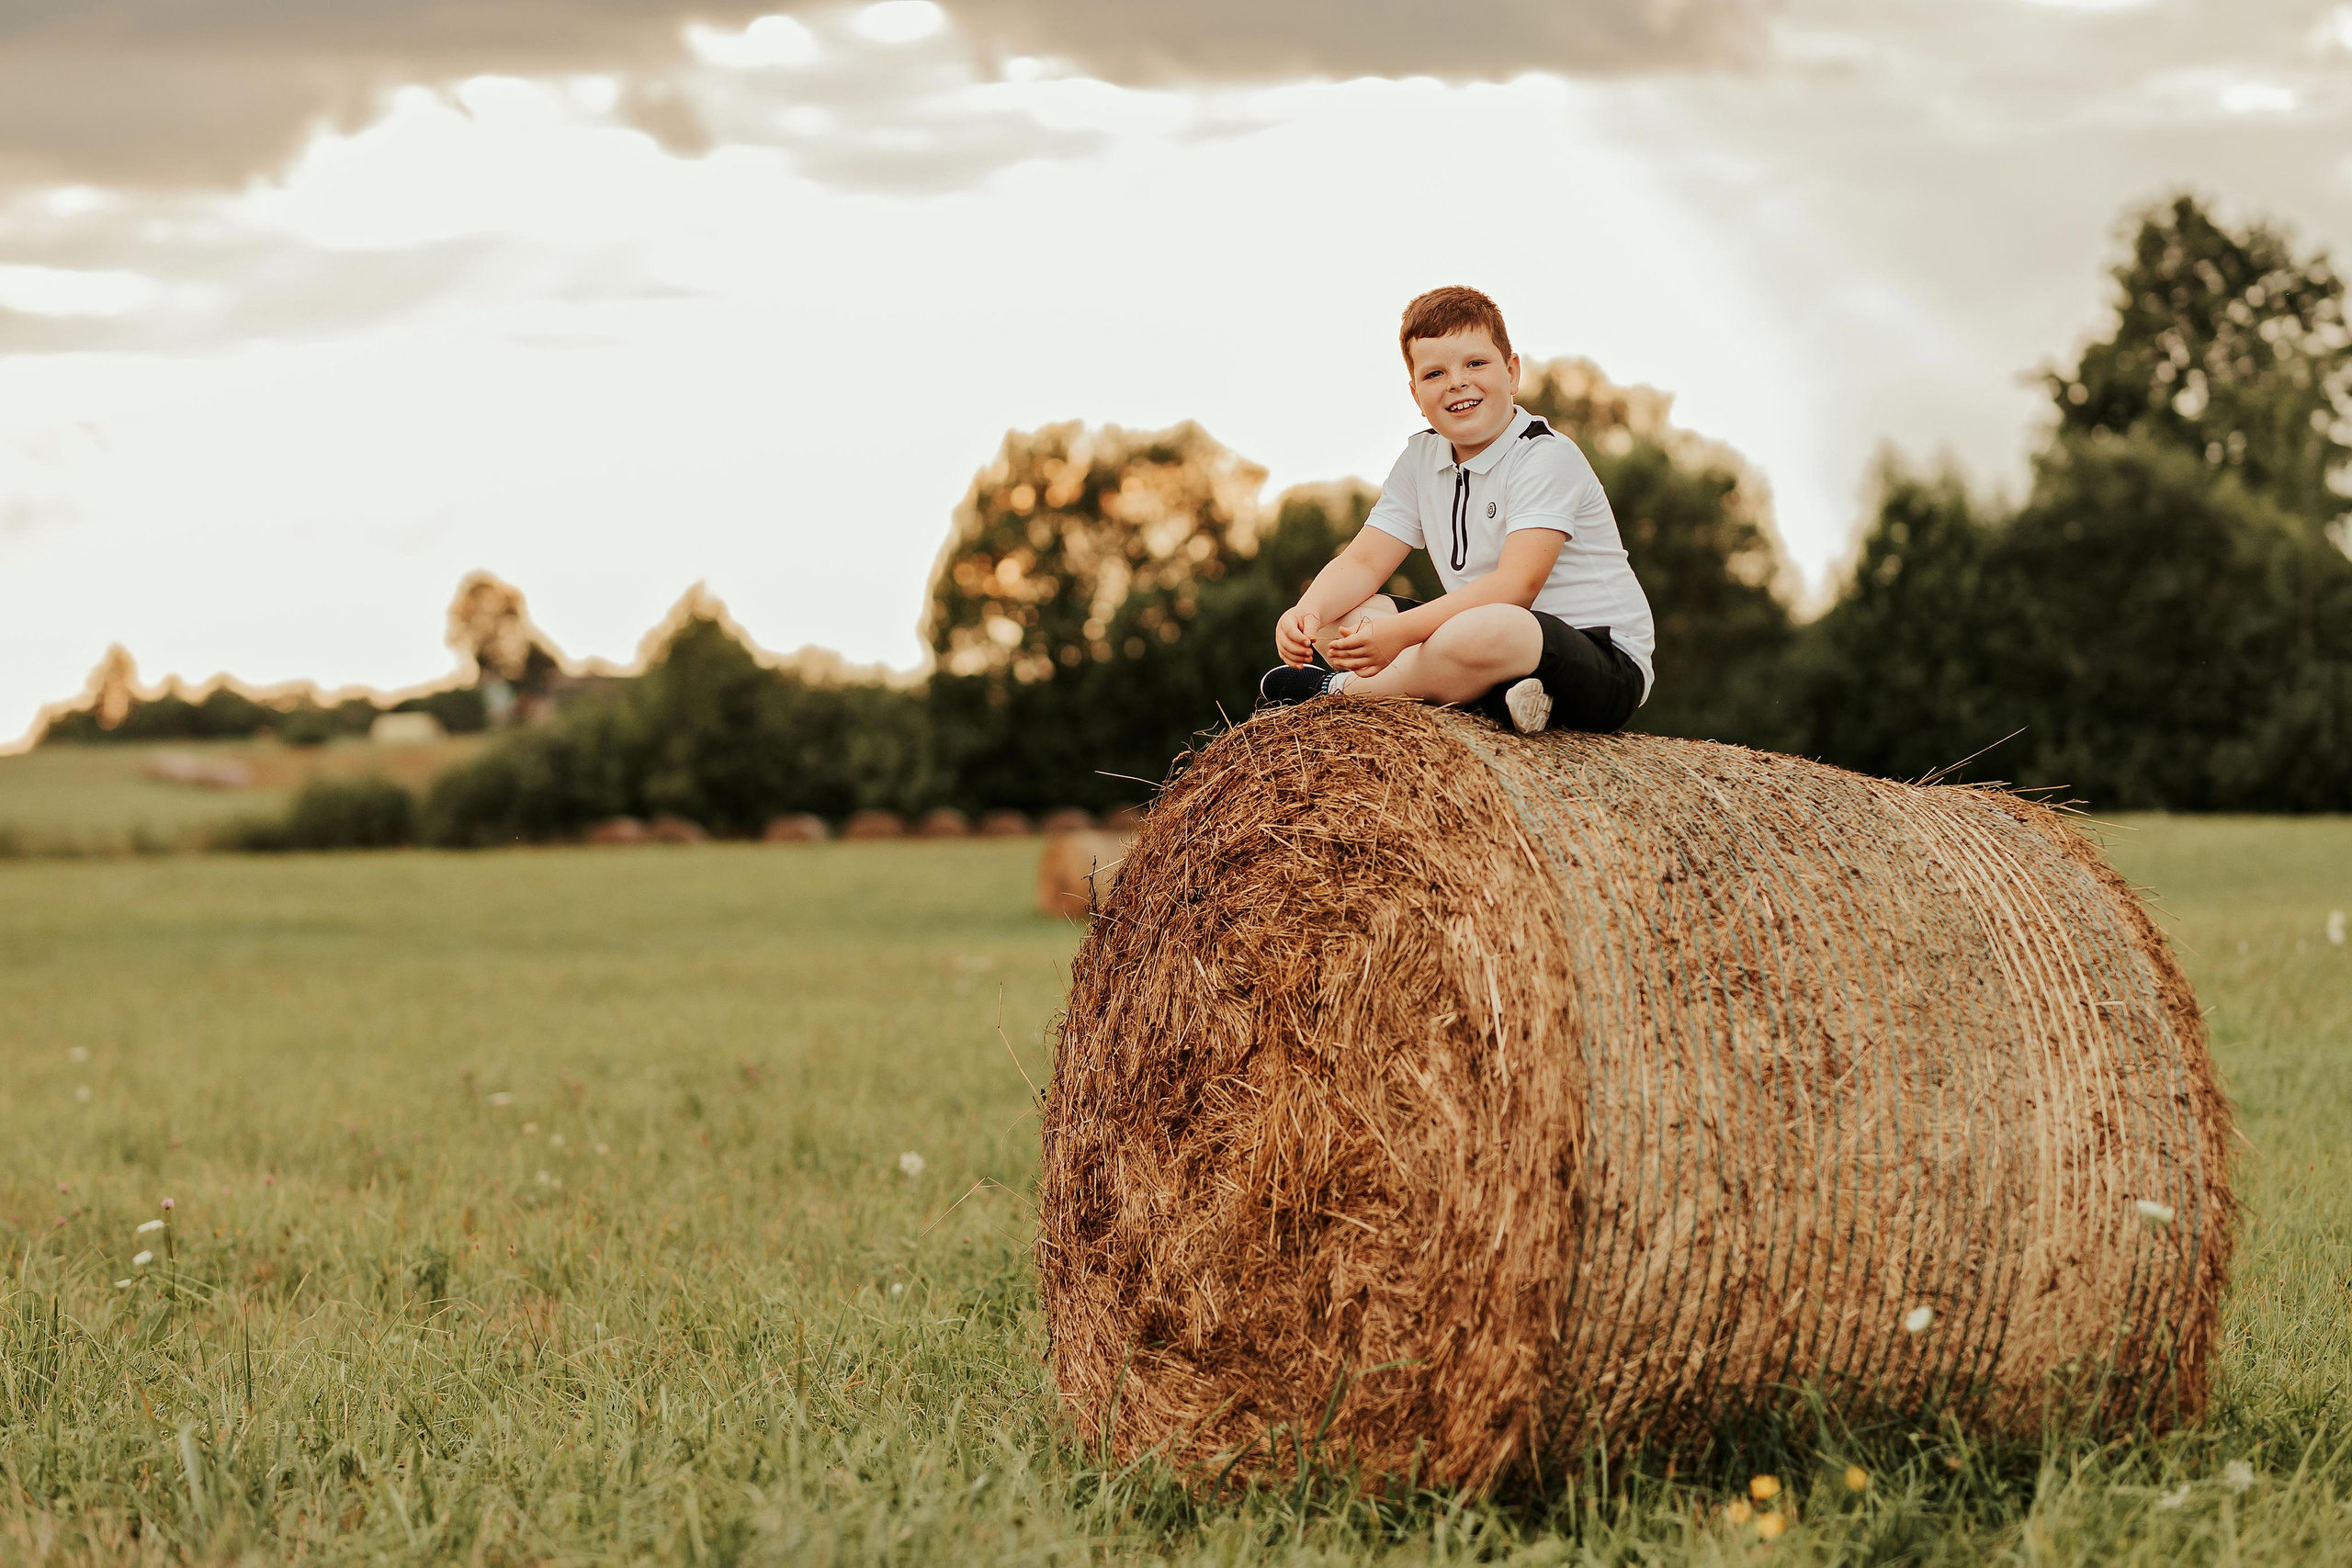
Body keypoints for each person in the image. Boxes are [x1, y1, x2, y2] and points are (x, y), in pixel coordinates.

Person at [1258, 287, 1655, 735]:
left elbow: (1517, 586)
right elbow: (1363, 561)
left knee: (1491, 627)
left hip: (1599, 659)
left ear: (1512, 372)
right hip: (1479, 643)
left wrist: (1403, 633)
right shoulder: (1420, 459)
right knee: (1342, 618)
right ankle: (1492, 700)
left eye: (1475, 364)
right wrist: (1305, 614)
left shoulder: (1545, 456)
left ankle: (1340, 691)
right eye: (1434, 374)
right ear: (1415, 394)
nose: (1457, 383)